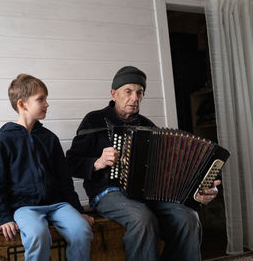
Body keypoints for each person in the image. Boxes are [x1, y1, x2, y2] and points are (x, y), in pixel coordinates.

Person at [66, 66, 221, 261]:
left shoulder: (149, 127)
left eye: (139, 92)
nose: (134, 97)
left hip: (149, 194)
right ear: (114, 94)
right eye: (128, 91)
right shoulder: (94, 120)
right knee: (142, 218)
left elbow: (172, 169)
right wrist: (98, 162)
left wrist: (199, 190)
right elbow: (71, 163)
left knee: (188, 218)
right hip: (108, 193)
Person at [0, 73, 94, 261]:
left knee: (81, 230)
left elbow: (64, 179)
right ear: (22, 104)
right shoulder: (5, 139)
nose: (47, 104)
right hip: (24, 207)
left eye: (46, 99)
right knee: (38, 235)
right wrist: (4, 217)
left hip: (57, 204)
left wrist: (78, 211)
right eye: (41, 99)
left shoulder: (49, 138)